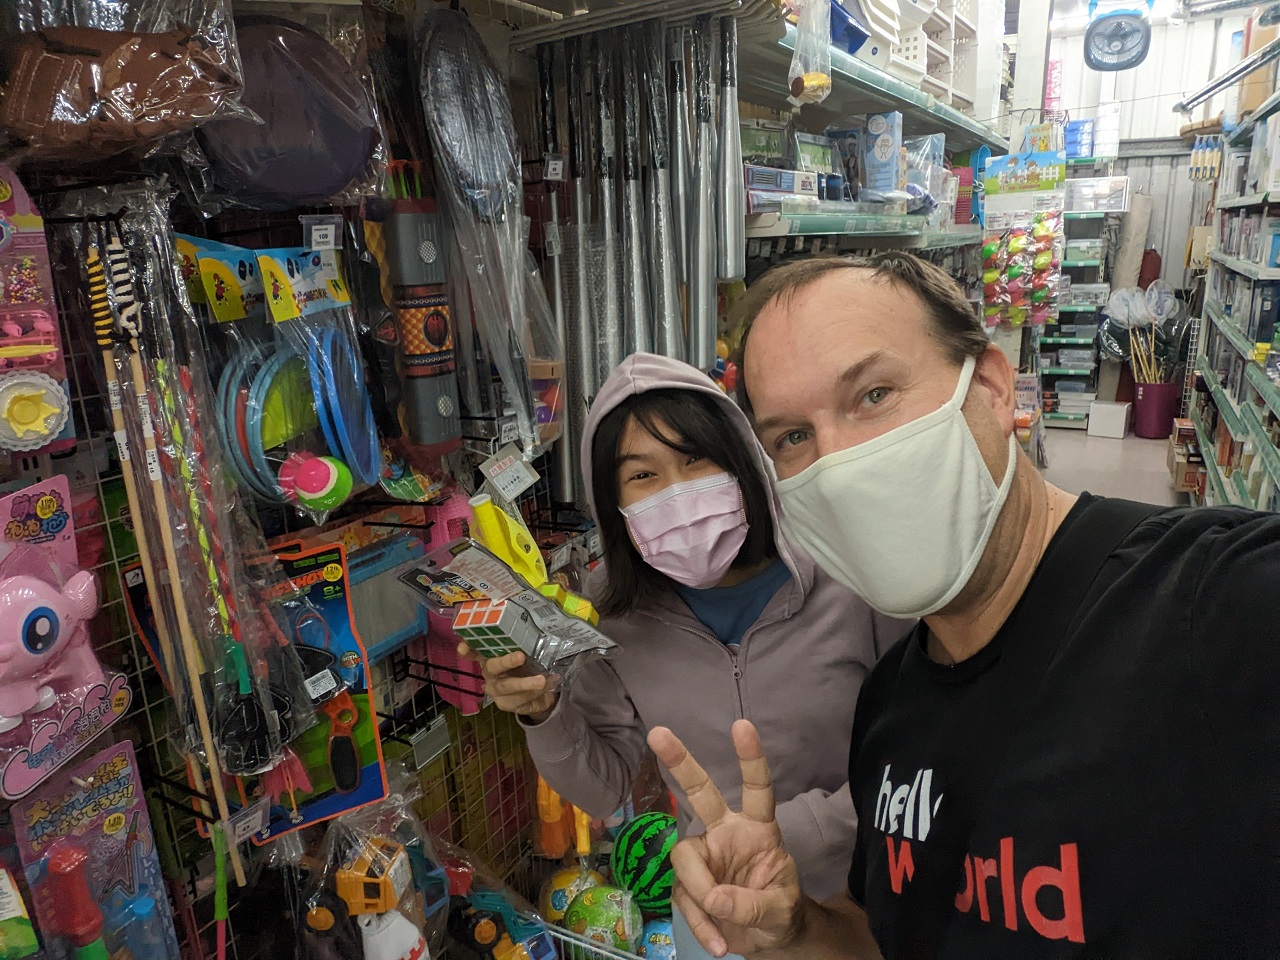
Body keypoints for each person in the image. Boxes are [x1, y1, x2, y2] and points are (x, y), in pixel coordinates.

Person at [650, 252, 1280, 960]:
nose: (838, 465)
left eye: (874, 394)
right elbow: (886, 939)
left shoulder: (1211, 600)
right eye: (792, 437)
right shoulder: (887, 706)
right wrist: (795, 930)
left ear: (991, 387)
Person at [461, 352, 905, 958]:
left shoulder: (847, 572)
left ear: (743, 459)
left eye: (695, 458)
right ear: (613, 503)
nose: (678, 491)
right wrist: (543, 712)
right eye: (643, 475)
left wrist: (797, 834)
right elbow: (603, 786)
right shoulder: (612, 611)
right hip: (716, 917)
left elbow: (924, 754)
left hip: (872, 898)